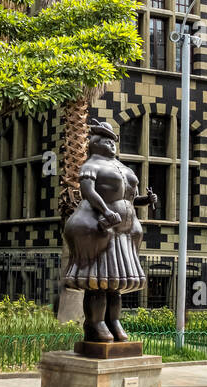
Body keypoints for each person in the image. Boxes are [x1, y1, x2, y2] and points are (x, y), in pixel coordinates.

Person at [63, 118, 157, 343]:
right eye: (105, 140)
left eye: (113, 140)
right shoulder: (91, 165)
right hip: (101, 230)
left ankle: (114, 321)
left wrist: (146, 200)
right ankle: (95, 323)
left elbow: (130, 198)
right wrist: (105, 211)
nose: (111, 144)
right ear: (95, 142)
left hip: (124, 233)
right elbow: (88, 192)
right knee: (98, 282)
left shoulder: (123, 168)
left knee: (115, 284)